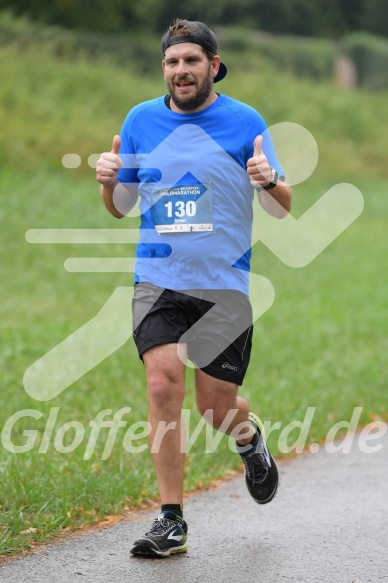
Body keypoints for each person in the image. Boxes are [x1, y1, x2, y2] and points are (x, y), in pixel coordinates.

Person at [96, 18, 292, 558]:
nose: (181, 71)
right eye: (172, 62)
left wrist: (268, 180)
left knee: (215, 405)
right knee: (163, 388)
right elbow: (120, 209)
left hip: (223, 288)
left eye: (191, 61)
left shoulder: (243, 121)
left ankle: (249, 441)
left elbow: (282, 206)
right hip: (157, 280)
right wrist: (111, 184)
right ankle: (171, 520)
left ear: (213, 65)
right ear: (164, 68)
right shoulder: (140, 120)